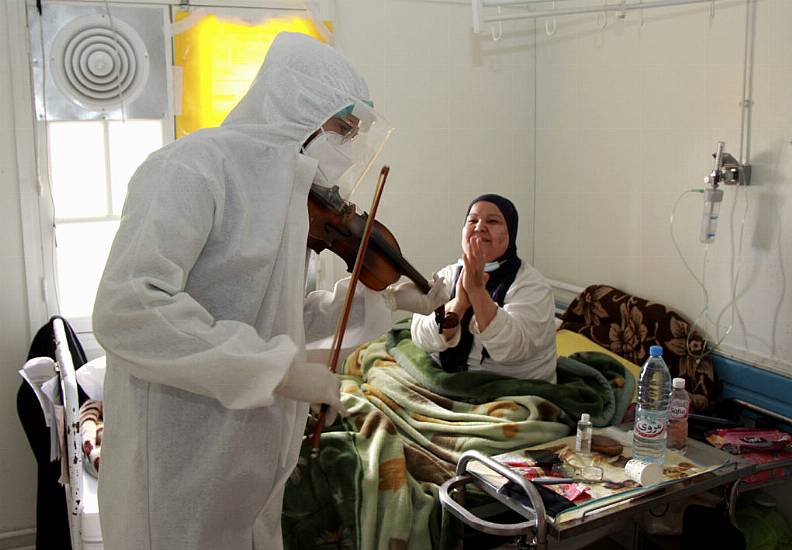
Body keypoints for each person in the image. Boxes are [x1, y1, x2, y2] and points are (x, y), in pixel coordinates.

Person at [91, 32, 447, 550]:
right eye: (342, 130)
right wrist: (279, 371)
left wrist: (389, 300)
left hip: (250, 463)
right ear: (296, 108)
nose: (347, 149)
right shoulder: (191, 169)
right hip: (178, 465)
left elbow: (285, 313)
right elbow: (130, 309)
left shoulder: (288, 200)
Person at [410, 194, 557, 382]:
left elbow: (513, 348)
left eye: (493, 221)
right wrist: (459, 304)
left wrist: (477, 292)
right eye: (472, 220)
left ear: (511, 233)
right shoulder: (447, 275)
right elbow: (420, 336)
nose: (479, 227)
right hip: (447, 377)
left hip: (510, 386)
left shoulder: (532, 285)